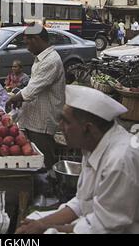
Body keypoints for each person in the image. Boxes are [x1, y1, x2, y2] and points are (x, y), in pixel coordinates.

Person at [16, 85, 139, 234]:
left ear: (88, 129)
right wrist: (39, 223)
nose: (60, 126)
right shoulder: (91, 146)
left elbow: (103, 228)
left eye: (66, 122)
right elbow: (82, 202)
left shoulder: (120, 161)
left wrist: (46, 228)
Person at [6, 23, 65, 170]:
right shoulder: (41, 58)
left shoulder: (51, 60)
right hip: (33, 119)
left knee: (44, 162)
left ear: (36, 39)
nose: (27, 47)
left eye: (27, 43)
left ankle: (50, 188)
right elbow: (34, 87)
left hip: (43, 123)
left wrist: (14, 98)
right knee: (34, 161)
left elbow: (31, 90)